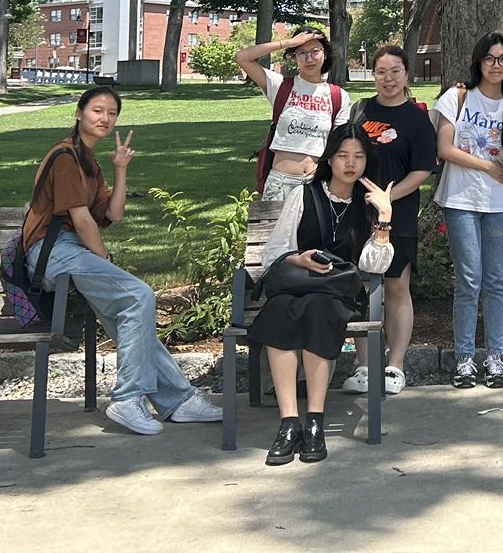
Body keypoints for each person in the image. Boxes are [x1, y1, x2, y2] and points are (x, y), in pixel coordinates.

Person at [21, 86, 222, 436]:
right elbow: (82, 222)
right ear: (79, 113)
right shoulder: (65, 157)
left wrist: (121, 169)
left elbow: (113, 214)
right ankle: (128, 398)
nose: (105, 118)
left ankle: (178, 400)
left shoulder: (89, 163)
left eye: (112, 113)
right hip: (52, 252)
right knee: (139, 294)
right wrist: (106, 259)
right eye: (98, 110)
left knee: (133, 315)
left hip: (73, 252)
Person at [250, 124, 395, 465]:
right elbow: (274, 253)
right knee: (280, 311)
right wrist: (298, 258)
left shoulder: (369, 204)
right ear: (329, 159)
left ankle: (314, 419)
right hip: (297, 285)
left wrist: (385, 218)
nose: (350, 163)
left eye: (358, 157)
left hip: (338, 294)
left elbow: (374, 265)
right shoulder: (304, 194)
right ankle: (289, 423)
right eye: (343, 155)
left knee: (320, 312)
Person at [342, 44, 437, 397]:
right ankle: (364, 366)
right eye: (381, 72)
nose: (388, 78)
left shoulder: (416, 118)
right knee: (360, 286)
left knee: (396, 287)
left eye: (395, 71)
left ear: (406, 75)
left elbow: (423, 169)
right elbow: (344, 154)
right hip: (356, 212)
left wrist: (388, 198)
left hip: (399, 214)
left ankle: (395, 365)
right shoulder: (360, 110)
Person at [432, 31, 503, 390]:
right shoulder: (457, 97)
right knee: (468, 282)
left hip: (499, 205)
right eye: (490, 58)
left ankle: (495, 357)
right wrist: (487, 166)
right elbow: (444, 149)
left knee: (495, 281)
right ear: (478, 62)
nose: (496, 65)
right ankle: (465, 359)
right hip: (461, 201)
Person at [238, 26, 351, 201]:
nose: (309, 58)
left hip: (317, 183)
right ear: (294, 57)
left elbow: (340, 144)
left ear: (325, 54)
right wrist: (289, 42)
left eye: (315, 51)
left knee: (315, 230)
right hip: (280, 184)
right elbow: (243, 57)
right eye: (301, 53)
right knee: (273, 229)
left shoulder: (338, 96)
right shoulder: (280, 85)